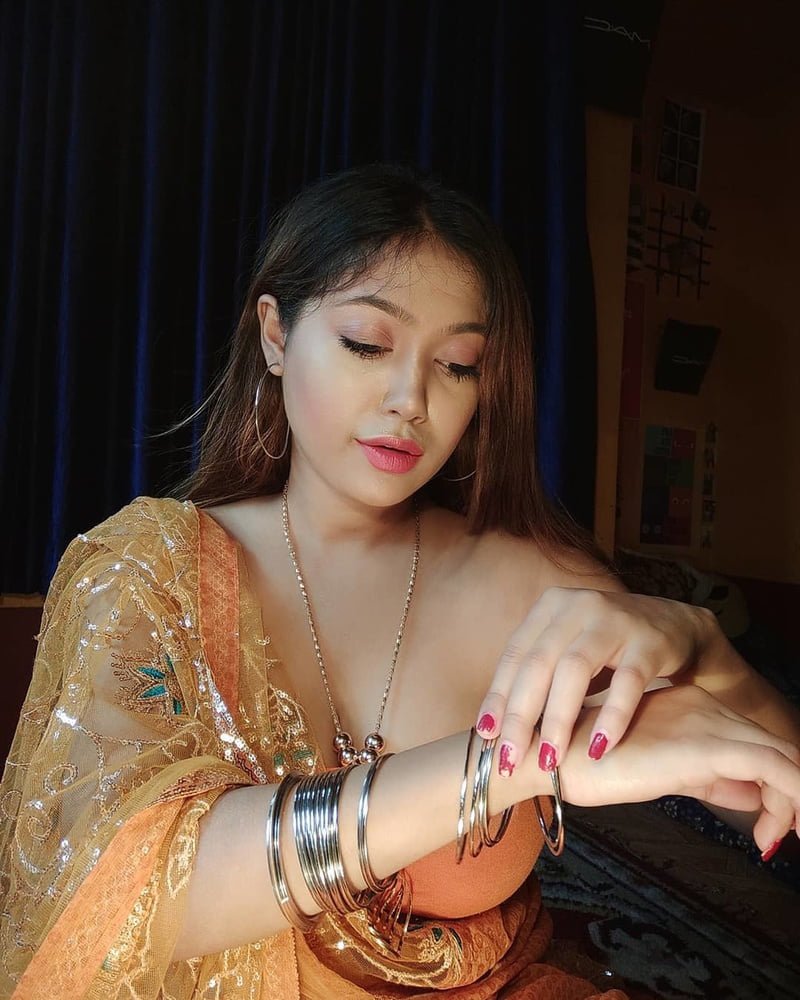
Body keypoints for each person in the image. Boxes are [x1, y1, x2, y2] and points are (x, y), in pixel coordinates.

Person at [1, 163, 798, 1000]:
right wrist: (502, 768)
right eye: (366, 344)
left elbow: (773, 794)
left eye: (456, 364)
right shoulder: (149, 571)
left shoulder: (539, 585)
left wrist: (710, 659)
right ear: (274, 336)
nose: (411, 399)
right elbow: (117, 899)